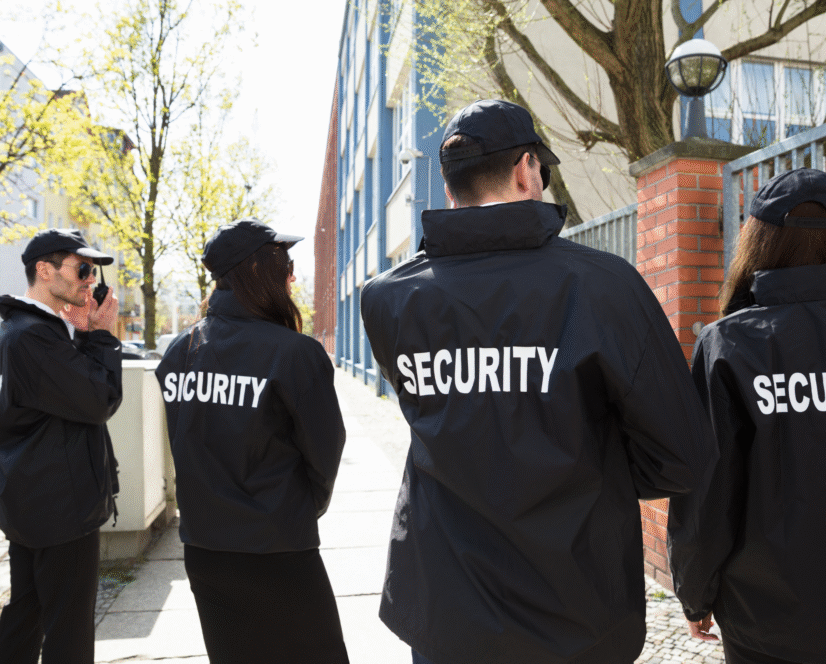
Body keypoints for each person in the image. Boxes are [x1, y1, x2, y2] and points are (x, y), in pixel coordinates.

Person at [360, 99, 717, 664]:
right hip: (576, 613)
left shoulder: (388, 298)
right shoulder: (606, 287)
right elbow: (683, 454)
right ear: (528, 170)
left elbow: (440, 415)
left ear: (451, 190)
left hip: (445, 609)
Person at [668, 168, 826, 664]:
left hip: (765, 613)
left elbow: (707, 492)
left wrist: (695, 591)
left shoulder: (729, 344)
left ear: (757, 241)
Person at [155, 219, 349, 664]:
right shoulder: (293, 353)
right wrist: (299, 506)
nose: (293, 276)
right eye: (286, 264)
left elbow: (185, 446)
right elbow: (325, 452)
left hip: (205, 552)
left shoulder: (179, 352)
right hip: (277, 550)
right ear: (259, 269)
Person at [0, 228, 121, 664]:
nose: (90, 280)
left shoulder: (31, 330)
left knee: (27, 612)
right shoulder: (33, 335)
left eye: (92, 271)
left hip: (36, 498)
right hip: (57, 506)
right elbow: (99, 399)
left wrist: (81, 335)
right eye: (83, 269)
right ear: (44, 270)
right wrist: (102, 336)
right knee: (68, 628)